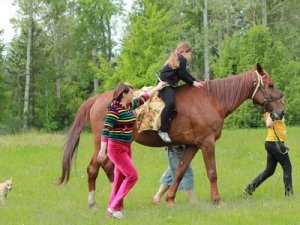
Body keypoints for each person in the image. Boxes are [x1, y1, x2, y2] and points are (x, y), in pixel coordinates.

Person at [97, 81, 166, 219]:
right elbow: (106, 130)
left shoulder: (128, 105)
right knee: (132, 176)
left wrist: (157, 88)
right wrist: (102, 150)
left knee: (120, 177)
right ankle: (112, 208)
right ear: (124, 94)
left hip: (126, 146)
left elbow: (143, 98)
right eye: (131, 92)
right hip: (115, 148)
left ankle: (114, 209)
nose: (133, 94)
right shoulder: (114, 110)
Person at [157, 42, 205, 143]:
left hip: (170, 85)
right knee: (170, 103)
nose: (190, 57)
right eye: (190, 54)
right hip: (164, 85)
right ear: (186, 52)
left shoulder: (179, 58)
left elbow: (185, 73)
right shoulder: (181, 59)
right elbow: (182, 75)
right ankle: (163, 130)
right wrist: (193, 83)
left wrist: (196, 81)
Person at [244, 102, 293, 196]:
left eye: (283, 100)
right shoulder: (272, 111)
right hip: (274, 143)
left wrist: (283, 144)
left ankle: (249, 189)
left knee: (269, 170)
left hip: (274, 143)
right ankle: (289, 193)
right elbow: (268, 123)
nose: (282, 101)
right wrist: (274, 115)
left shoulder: (276, 110)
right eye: (281, 100)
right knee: (287, 167)